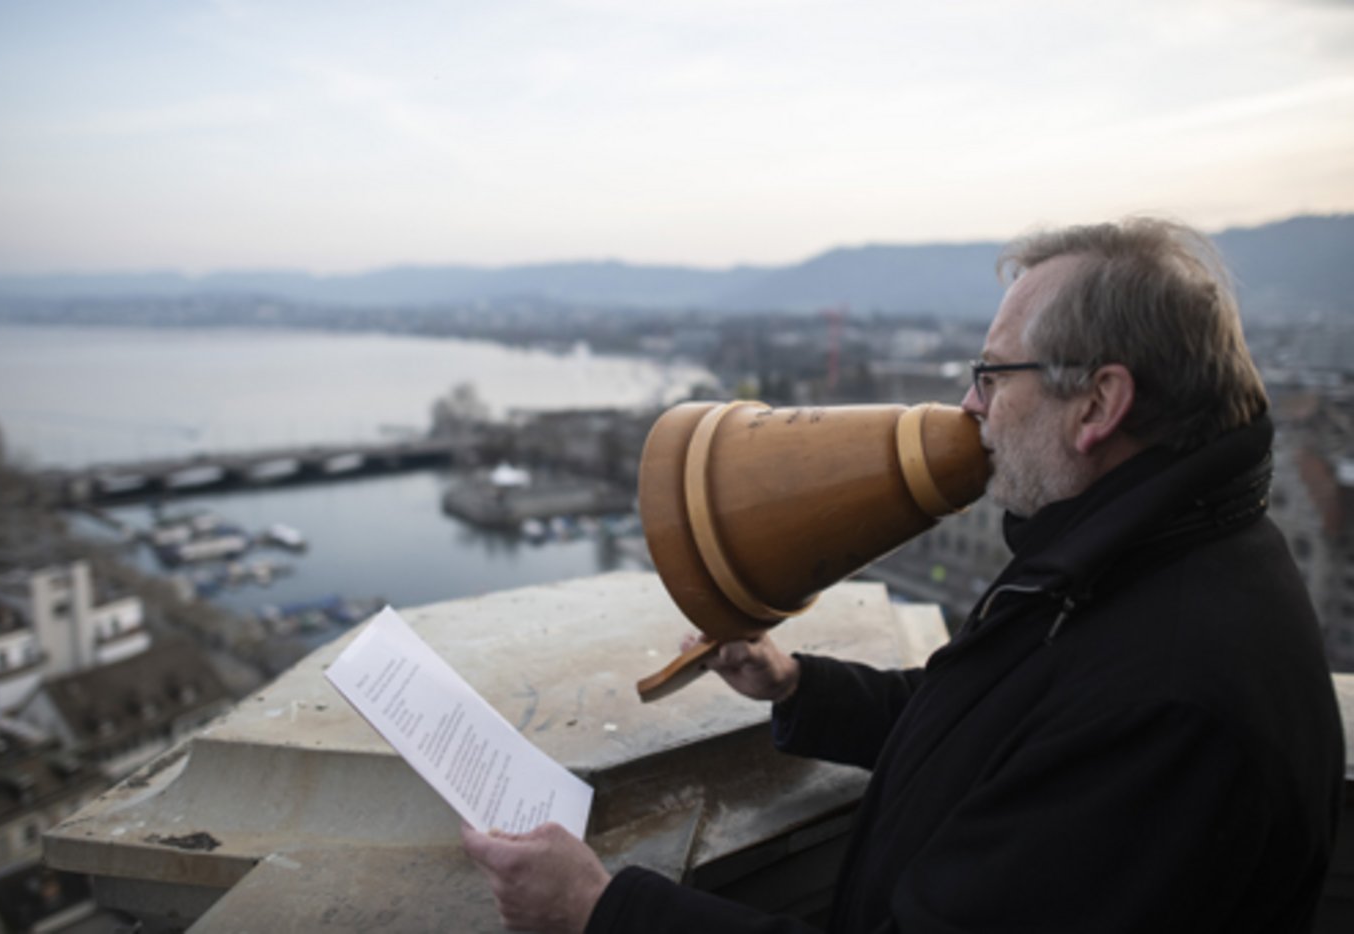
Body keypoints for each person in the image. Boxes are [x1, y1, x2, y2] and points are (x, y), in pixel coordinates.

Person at [462, 218, 1346, 932]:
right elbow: (995, 727)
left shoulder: (1168, 705)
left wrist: (600, 910)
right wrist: (797, 686)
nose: (970, 405)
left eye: (992, 376)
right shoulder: (1149, 554)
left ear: (1099, 404)